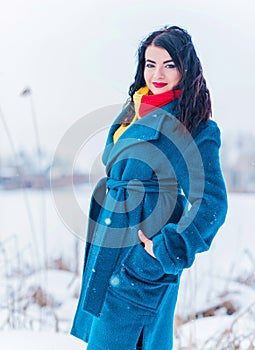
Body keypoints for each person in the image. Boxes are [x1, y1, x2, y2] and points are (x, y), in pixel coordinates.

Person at [70, 25, 228, 349]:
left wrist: (168, 249)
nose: (157, 74)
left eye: (169, 64)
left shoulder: (194, 125)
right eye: (150, 63)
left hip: (143, 261)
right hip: (112, 248)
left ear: (186, 68)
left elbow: (212, 202)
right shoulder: (134, 111)